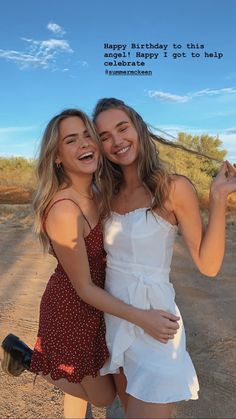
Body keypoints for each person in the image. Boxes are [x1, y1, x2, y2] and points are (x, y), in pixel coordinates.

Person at [1, 109, 180, 419]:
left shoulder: (100, 192)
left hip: (105, 306)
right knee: (102, 395)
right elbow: (83, 287)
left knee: (100, 381)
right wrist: (143, 317)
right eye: (72, 139)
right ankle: (27, 357)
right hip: (72, 311)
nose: (85, 143)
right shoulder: (64, 210)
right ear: (57, 157)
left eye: (88, 135)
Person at [92, 98, 236, 419]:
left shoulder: (173, 187)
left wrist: (218, 197)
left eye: (122, 128)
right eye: (104, 136)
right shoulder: (104, 194)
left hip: (157, 325)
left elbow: (208, 265)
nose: (116, 141)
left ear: (139, 128)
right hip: (116, 320)